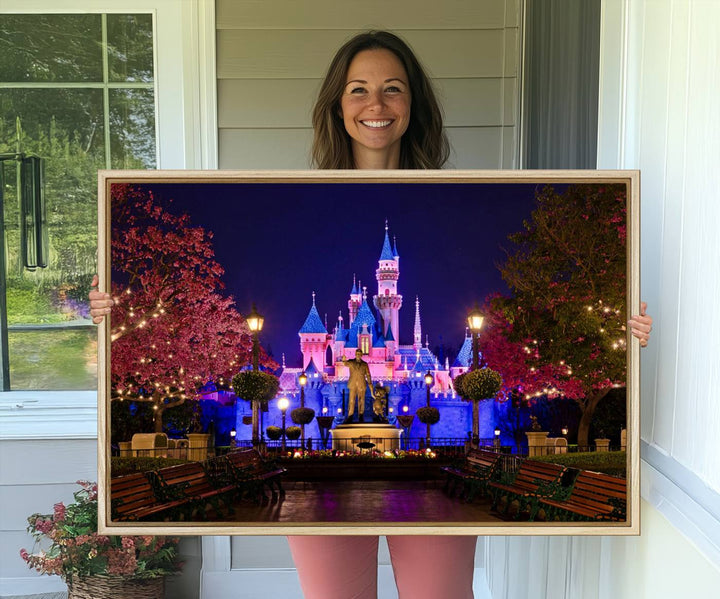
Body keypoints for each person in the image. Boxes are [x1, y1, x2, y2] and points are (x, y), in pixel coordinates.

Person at [90, 30, 653, 599]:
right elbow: (336, 358)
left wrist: (625, 332)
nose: (376, 104)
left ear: (413, 105)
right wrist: (111, 315)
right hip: (332, 487)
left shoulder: (440, 226)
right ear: (338, 104)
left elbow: (398, 360)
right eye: (359, 89)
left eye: (393, 89)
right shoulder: (338, 332)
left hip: (424, 479)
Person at [339, 349, 374, 423]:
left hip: (362, 384)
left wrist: (370, 383)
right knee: (351, 400)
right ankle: (350, 415)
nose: (358, 355)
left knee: (361, 400)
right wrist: (344, 360)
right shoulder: (351, 362)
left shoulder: (365, 364)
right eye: (357, 353)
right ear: (355, 354)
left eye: (359, 354)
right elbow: (345, 363)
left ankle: (361, 415)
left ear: (361, 355)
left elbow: (368, 374)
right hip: (353, 384)